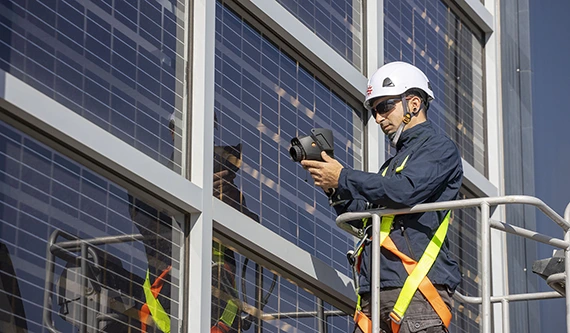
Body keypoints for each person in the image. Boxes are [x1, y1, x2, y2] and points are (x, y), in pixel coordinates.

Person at [301, 61, 463, 333]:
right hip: (376, 294)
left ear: (413, 103)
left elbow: (405, 190)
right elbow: (363, 218)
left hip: (417, 293)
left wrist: (343, 176)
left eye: (385, 106)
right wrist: (333, 186)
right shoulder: (393, 165)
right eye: (374, 110)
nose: (378, 118)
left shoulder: (438, 148)